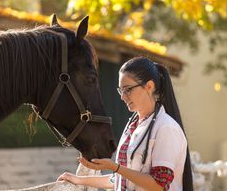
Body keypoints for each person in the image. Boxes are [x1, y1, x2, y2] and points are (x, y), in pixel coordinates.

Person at [57, 56, 193, 191]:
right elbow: (122, 180)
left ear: (149, 86)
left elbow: (158, 185)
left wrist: (114, 167)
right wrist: (79, 180)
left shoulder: (166, 128)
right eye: (121, 90)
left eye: (128, 89)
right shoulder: (133, 126)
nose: (122, 96)